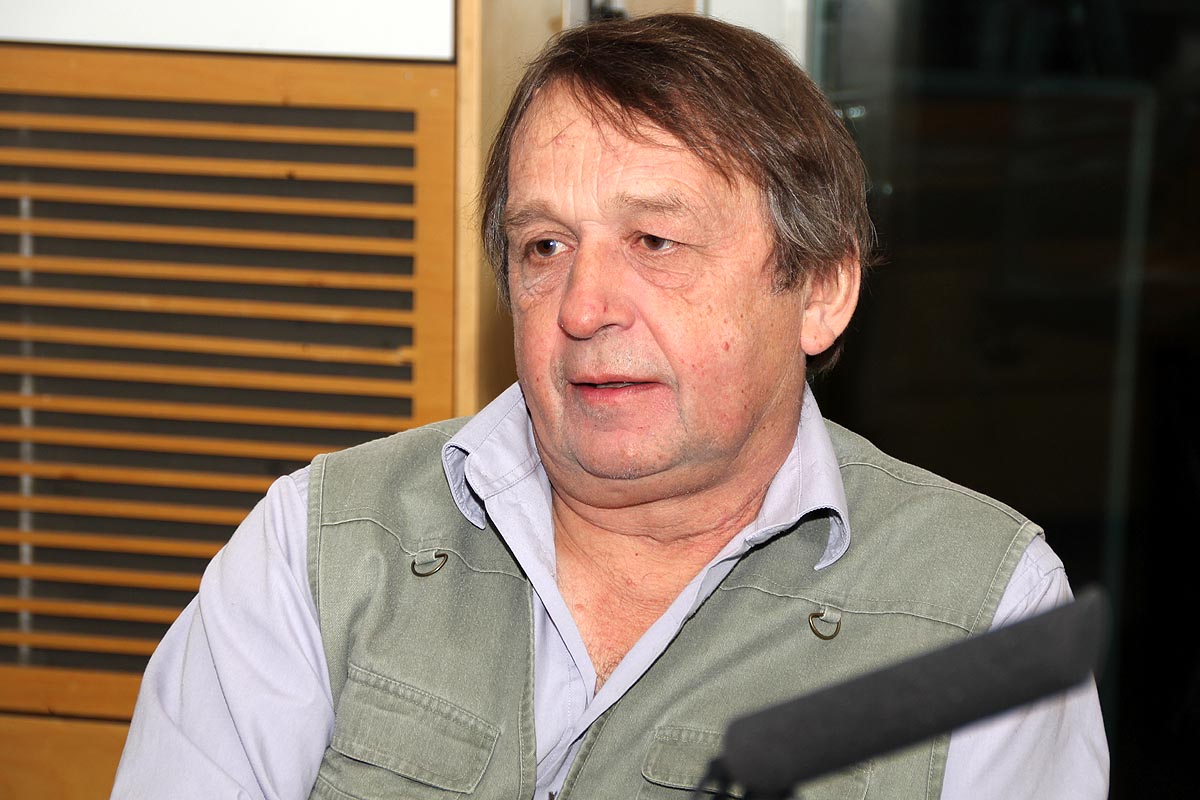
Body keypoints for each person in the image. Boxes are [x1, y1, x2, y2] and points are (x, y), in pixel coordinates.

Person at [112, 13, 1107, 800]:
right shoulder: (316, 547)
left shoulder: (983, 614)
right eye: (545, 246)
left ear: (819, 290)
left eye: (654, 243)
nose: (583, 307)